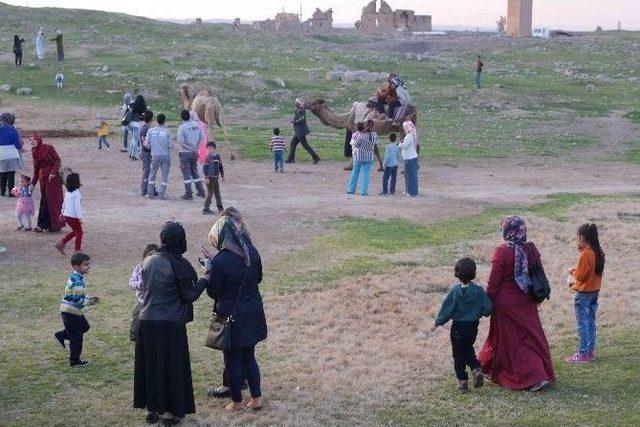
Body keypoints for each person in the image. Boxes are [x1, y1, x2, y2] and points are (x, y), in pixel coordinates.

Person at [134, 221, 206, 425]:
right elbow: (189, 295)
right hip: (169, 323)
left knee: (152, 367)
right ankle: (169, 414)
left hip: (146, 322)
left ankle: (153, 409)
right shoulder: (178, 263)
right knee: (171, 368)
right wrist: (206, 278)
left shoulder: (150, 260)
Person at [198, 208, 267, 411]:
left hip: (231, 316)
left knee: (233, 360)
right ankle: (256, 398)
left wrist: (208, 271)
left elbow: (214, 292)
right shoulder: (252, 252)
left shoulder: (220, 261)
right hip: (252, 311)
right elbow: (259, 278)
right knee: (249, 358)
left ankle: (236, 401)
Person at [478, 216, 555, 391]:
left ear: (507, 231)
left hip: (505, 305)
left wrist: (487, 302)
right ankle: (486, 364)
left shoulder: (502, 252)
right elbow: (539, 275)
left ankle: (534, 377)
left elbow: (493, 283)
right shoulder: (530, 249)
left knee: (509, 341)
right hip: (526, 301)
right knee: (530, 338)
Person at [432, 258, 493, 393]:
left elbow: (447, 310)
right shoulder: (478, 291)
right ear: (473, 273)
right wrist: (481, 312)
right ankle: (476, 368)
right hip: (472, 327)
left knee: (458, 353)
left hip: (458, 328)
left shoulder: (455, 292)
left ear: (457, 273)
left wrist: (437, 322)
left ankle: (463, 382)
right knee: (468, 348)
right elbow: (489, 307)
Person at [565, 223, 606, 364]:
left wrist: (572, 271)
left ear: (582, 237)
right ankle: (589, 352)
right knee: (590, 322)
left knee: (582, 324)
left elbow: (581, 276)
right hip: (595, 291)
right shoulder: (598, 251)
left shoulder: (586, 254)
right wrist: (582, 251)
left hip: (583, 294)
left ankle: (582, 354)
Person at [54, 252, 100, 367]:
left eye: (89, 264)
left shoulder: (76, 276)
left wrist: (88, 298)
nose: (89, 266)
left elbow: (78, 296)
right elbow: (77, 299)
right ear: (76, 267)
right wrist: (89, 302)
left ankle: (62, 335)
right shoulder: (78, 280)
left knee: (84, 327)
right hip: (71, 312)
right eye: (86, 264)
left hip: (71, 311)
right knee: (76, 336)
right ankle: (74, 361)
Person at [29, 133, 65, 232]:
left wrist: (53, 173)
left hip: (53, 179)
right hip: (43, 180)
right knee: (45, 200)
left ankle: (44, 225)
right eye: (30, 140)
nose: (31, 142)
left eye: (33, 139)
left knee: (51, 201)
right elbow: (36, 170)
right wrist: (32, 183)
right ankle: (47, 225)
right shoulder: (34, 152)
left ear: (38, 139)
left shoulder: (48, 148)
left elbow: (57, 160)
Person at [127, 243, 159, 342]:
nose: (152, 258)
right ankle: (135, 335)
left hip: (155, 302)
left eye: (155, 255)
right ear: (144, 256)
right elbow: (131, 283)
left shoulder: (160, 269)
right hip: (142, 301)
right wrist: (142, 284)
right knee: (137, 319)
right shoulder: (139, 268)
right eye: (149, 255)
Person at [177, 109, 206, 200]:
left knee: (186, 174)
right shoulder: (196, 125)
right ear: (190, 116)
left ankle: (188, 194)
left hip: (185, 153)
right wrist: (196, 148)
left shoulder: (182, 127)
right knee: (195, 172)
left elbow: (181, 141)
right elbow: (202, 138)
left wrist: (189, 148)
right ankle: (201, 192)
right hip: (195, 153)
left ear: (181, 117)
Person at [55, 173, 83, 255]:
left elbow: (64, 203)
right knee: (79, 232)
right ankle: (77, 250)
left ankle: (61, 243)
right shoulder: (77, 193)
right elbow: (77, 207)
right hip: (73, 216)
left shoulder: (68, 192)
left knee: (75, 231)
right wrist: (79, 217)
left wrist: (62, 213)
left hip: (67, 215)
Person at [146, 114, 172, 200]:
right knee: (164, 175)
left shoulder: (150, 131)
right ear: (164, 121)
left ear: (156, 121)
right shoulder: (167, 131)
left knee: (152, 174)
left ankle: (150, 194)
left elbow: (147, 145)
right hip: (165, 156)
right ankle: (162, 195)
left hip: (155, 155)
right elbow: (171, 146)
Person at [347, 122, 377, 196]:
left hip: (359, 156)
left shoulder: (361, 136)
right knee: (366, 174)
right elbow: (375, 144)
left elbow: (356, 145)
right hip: (369, 157)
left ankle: (351, 189)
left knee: (355, 172)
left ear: (365, 126)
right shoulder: (374, 135)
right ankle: (364, 191)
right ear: (373, 126)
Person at [286, 98, 319, 164]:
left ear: (297, 104)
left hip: (300, 131)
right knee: (293, 143)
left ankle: (316, 157)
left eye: (296, 102)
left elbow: (302, 119)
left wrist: (294, 121)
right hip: (298, 131)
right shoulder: (299, 109)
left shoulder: (301, 110)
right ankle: (291, 159)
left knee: (305, 145)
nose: (295, 104)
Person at [0, 113, 22, 197]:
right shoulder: (13, 130)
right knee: (11, 173)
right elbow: (17, 144)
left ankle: (2, 191)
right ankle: (11, 192)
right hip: (12, 154)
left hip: (1, 154)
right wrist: (21, 146)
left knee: (2, 172)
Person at [202, 142, 224, 214]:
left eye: (210, 148)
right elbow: (205, 169)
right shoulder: (207, 157)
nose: (209, 150)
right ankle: (205, 208)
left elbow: (220, 166)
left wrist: (222, 175)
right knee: (210, 193)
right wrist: (206, 178)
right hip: (210, 178)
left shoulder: (217, 157)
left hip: (216, 178)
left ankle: (220, 208)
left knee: (217, 192)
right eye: (208, 149)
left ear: (214, 148)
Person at [398, 121, 419, 197]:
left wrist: (398, 144)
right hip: (410, 158)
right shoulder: (411, 135)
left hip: (410, 159)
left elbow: (405, 145)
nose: (404, 129)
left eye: (404, 127)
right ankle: (408, 190)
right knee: (408, 175)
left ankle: (412, 192)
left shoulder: (409, 136)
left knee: (411, 176)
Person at [126, 94, 147, 161]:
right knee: (136, 139)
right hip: (136, 124)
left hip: (128, 123)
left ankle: (130, 153)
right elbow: (143, 118)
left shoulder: (131, 104)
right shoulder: (143, 107)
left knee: (133, 138)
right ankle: (133, 155)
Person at [139, 110, 154, 197]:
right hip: (146, 152)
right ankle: (144, 190)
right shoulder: (146, 128)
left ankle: (151, 188)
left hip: (146, 152)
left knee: (150, 171)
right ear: (151, 119)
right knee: (147, 171)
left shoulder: (144, 127)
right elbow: (144, 141)